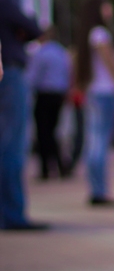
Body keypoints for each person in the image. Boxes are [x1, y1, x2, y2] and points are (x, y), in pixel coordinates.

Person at [0, 0, 48, 231]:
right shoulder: (5, 2)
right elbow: (33, 29)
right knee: (12, 146)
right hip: (10, 74)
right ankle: (13, 214)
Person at [76, 0, 114, 205]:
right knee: (100, 142)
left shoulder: (87, 34)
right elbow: (110, 62)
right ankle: (100, 190)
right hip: (105, 92)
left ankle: (96, 188)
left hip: (93, 91)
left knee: (93, 140)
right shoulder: (100, 34)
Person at [27, 26, 71, 180]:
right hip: (58, 95)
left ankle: (46, 168)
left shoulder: (41, 54)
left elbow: (32, 78)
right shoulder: (61, 52)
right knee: (53, 131)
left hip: (44, 94)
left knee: (43, 132)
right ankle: (60, 165)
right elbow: (67, 73)